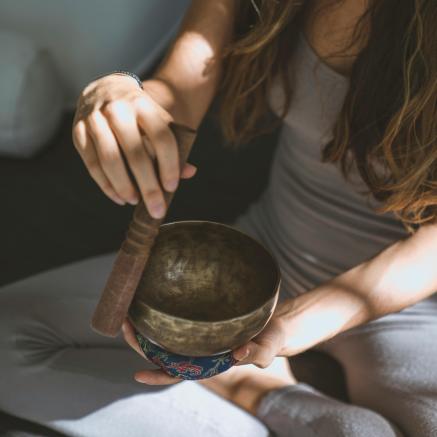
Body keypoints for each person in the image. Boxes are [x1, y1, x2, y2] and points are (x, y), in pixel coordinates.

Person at [1, 0, 436, 436]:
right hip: (264, 257)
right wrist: (122, 92)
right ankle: (268, 397)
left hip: (409, 307)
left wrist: (288, 328)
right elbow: (178, 91)